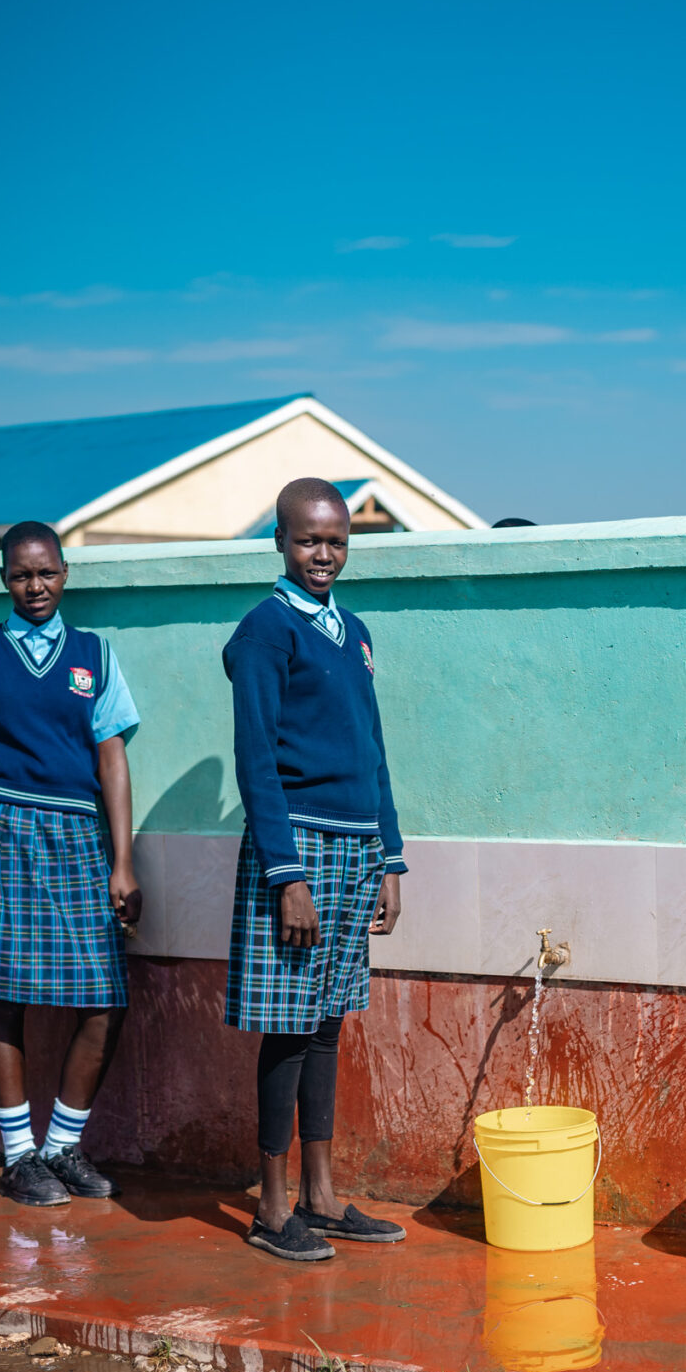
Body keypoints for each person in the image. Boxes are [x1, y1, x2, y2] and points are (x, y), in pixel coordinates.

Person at [0, 520, 142, 1206]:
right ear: (4, 581)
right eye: (21, 575)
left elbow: (112, 760)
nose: (35, 585)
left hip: (78, 838)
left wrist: (123, 861)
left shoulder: (96, 655)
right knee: (3, 997)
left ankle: (61, 1148)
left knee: (105, 1000)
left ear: (64, 573)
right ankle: (18, 1155)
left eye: (46, 572)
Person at [222, 479, 407, 1262]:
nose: (322, 554)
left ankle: (322, 1197)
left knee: (327, 1025)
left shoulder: (353, 630)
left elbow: (372, 748)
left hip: (356, 849)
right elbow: (256, 758)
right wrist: (285, 875)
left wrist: (390, 857)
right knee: (289, 1030)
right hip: (295, 849)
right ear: (280, 541)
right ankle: (271, 1207)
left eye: (335, 541)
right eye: (307, 541)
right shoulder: (266, 632)